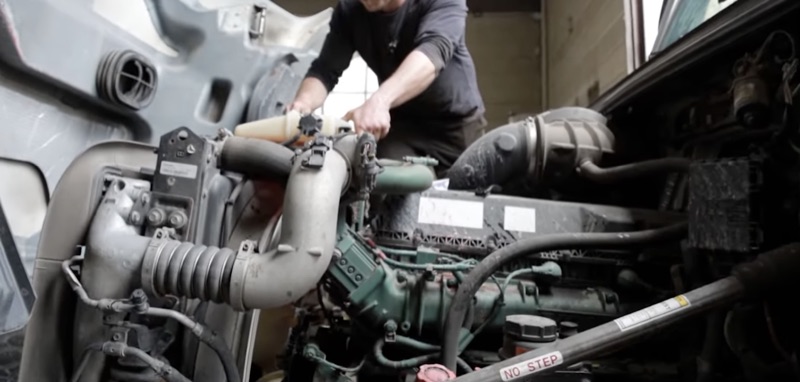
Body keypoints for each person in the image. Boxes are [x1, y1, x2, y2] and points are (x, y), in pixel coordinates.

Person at [287, 0, 486, 177]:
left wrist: (379, 101)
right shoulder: (350, 11)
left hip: (456, 128)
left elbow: (433, 51)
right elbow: (325, 69)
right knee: (385, 189)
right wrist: (302, 105)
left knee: (468, 203)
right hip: (400, 128)